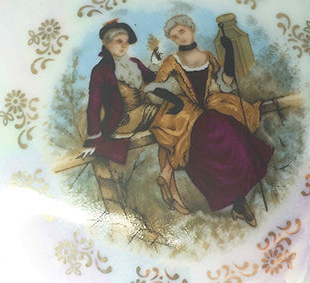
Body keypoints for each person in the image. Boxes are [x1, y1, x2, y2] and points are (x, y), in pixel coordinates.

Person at [146, 14, 273, 226]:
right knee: (207, 139)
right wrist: (173, 99)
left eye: (182, 31)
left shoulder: (208, 57)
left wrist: (229, 54)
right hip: (187, 111)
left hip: (213, 103)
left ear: (191, 29)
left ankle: (239, 203)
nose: (179, 37)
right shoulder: (171, 61)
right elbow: (155, 89)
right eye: (174, 36)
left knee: (232, 135)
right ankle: (239, 204)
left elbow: (224, 82)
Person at [80, 19, 157, 166]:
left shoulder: (134, 62)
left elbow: (155, 79)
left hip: (144, 113)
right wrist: (93, 139)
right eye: (119, 41)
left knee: (174, 114)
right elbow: (94, 106)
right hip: (123, 122)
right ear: (107, 43)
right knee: (167, 116)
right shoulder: (100, 71)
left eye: (126, 42)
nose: (124, 46)